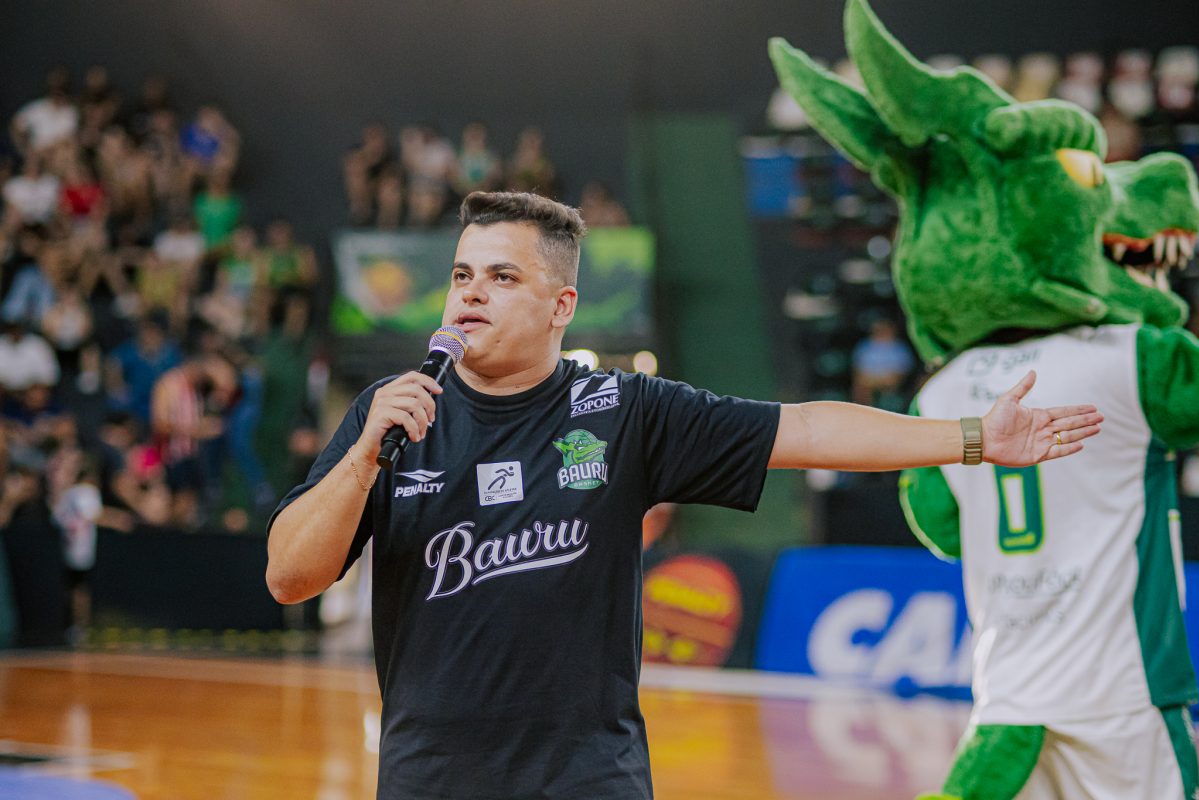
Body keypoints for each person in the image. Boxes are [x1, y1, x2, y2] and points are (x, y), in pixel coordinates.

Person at [265, 191, 1102, 800]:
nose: (471, 292)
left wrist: (972, 438)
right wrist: (364, 459)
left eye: (502, 276)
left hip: (587, 783)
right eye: (461, 274)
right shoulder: (391, 416)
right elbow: (290, 577)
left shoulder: (626, 411)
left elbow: (807, 430)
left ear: (561, 306)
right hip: (428, 782)